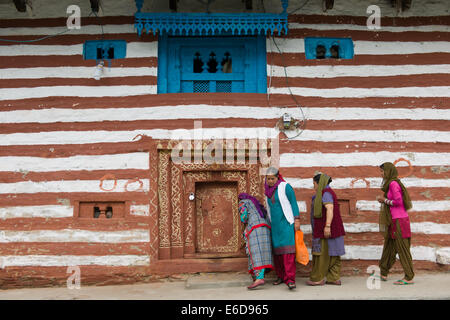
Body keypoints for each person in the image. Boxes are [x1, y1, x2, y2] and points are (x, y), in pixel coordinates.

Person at [376, 162, 415, 285]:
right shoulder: (390, 184)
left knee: (402, 248)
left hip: (400, 220)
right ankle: (383, 272)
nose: (381, 174)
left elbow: (398, 202)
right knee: (390, 246)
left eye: (383, 171)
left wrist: (384, 200)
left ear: (389, 171)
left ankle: (409, 277)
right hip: (394, 220)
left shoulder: (393, 184)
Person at [264, 167, 300, 290]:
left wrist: (297, 219)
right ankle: (281, 276)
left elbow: (294, 203)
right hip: (275, 226)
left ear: (277, 177)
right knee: (278, 254)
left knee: (288, 252)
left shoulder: (285, 187)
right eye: (268, 179)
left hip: (286, 223)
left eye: (272, 179)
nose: (270, 181)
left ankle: (290, 280)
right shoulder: (267, 191)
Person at [307, 173, 346, 286]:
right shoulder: (326, 192)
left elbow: (329, 208)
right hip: (333, 229)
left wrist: (327, 226)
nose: (313, 186)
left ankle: (318, 278)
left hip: (325, 230)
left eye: (314, 183)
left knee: (321, 255)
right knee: (334, 254)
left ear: (319, 183)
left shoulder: (326, 193)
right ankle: (333, 278)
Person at [238, 193, 273, 290]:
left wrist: (242, 218)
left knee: (256, 253)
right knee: (263, 252)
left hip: (255, 229)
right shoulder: (257, 204)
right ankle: (259, 276)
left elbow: (244, 217)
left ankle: (259, 278)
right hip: (266, 228)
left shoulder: (243, 202)